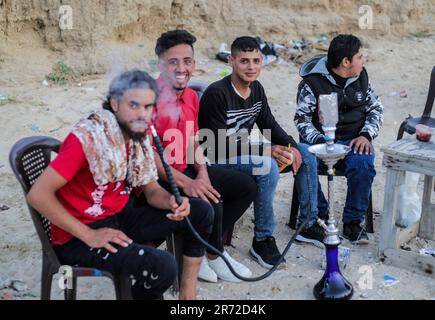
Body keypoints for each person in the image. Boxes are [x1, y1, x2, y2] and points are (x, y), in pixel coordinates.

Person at [27, 69, 214, 300]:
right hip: (77, 237)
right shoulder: (89, 137)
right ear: (114, 104)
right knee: (162, 266)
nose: (142, 115)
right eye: (133, 105)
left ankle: (187, 297)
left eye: (148, 107)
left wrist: (174, 202)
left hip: (116, 219)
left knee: (201, 211)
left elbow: (153, 190)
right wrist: (89, 235)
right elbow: (38, 195)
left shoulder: (139, 139)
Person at [198, 36, 322, 268]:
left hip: (245, 153)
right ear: (231, 61)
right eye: (244, 61)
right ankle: (262, 239)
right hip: (217, 160)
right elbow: (215, 145)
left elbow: (270, 125)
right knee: (267, 166)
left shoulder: (256, 89)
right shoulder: (217, 94)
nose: (251, 67)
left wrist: (291, 146)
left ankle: (308, 223)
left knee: (306, 152)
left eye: (256, 60)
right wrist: (265, 150)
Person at [152, 29, 256, 283]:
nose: (181, 68)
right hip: (157, 178)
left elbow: (193, 139)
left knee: (246, 186)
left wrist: (203, 172)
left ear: (194, 64)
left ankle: (209, 249)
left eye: (187, 61)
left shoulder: (190, 96)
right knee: (212, 202)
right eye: (173, 61)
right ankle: (207, 254)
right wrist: (190, 182)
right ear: (160, 64)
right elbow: (147, 159)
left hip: (187, 167)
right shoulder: (149, 98)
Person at [294, 34, 384, 244]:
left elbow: (376, 109)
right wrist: (320, 142)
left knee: (364, 161)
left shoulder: (362, 77)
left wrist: (365, 135)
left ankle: (353, 222)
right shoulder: (312, 83)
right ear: (346, 62)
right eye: (360, 57)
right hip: (319, 143)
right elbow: (301, 119)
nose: (363, 61)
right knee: (302, 159)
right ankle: (320, 217)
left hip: (353, 141)